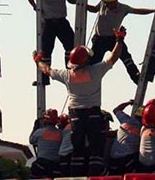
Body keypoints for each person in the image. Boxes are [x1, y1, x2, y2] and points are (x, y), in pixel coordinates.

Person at [35, 28, 127, 176]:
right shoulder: (95, 71)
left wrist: (38, 60)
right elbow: (113, 57)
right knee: (95, 147)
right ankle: (95, 175)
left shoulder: (67, 75)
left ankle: (76, 176)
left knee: (77, 147)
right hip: (93, 113)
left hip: (76, 115)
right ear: (87, 60)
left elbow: (46, 70)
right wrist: (119, 40)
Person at [86, 0, 155, 84]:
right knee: (93, 62)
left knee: (126, 57)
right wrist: (81, 4)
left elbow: (138, 11)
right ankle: (89, 81)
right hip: (99, 39)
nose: (107, 4)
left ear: (116, 0)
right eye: (106, 2)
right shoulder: (103, 3)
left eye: (110, 2)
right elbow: (94, 9)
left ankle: (136, 78)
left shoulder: (123, 8)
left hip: (113, 39)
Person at [26, 0, 77, 85]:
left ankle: (70, 71)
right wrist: (35, 7)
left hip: (61, 21)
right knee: (45, 51)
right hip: (48, 23)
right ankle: (44, 79)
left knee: (71, 46)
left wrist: (82, 4)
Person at [107, 100, 143, 175]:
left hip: (112, 159)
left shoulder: (126, 120)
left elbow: (116, 110)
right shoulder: (143, 129)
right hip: (126, 161)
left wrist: (128, 102)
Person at [28, 109, 62, 178]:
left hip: (42, 164)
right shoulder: (61, 133)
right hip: (56, 166)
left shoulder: (39, 132)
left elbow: (31, 140)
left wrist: (35, 128)